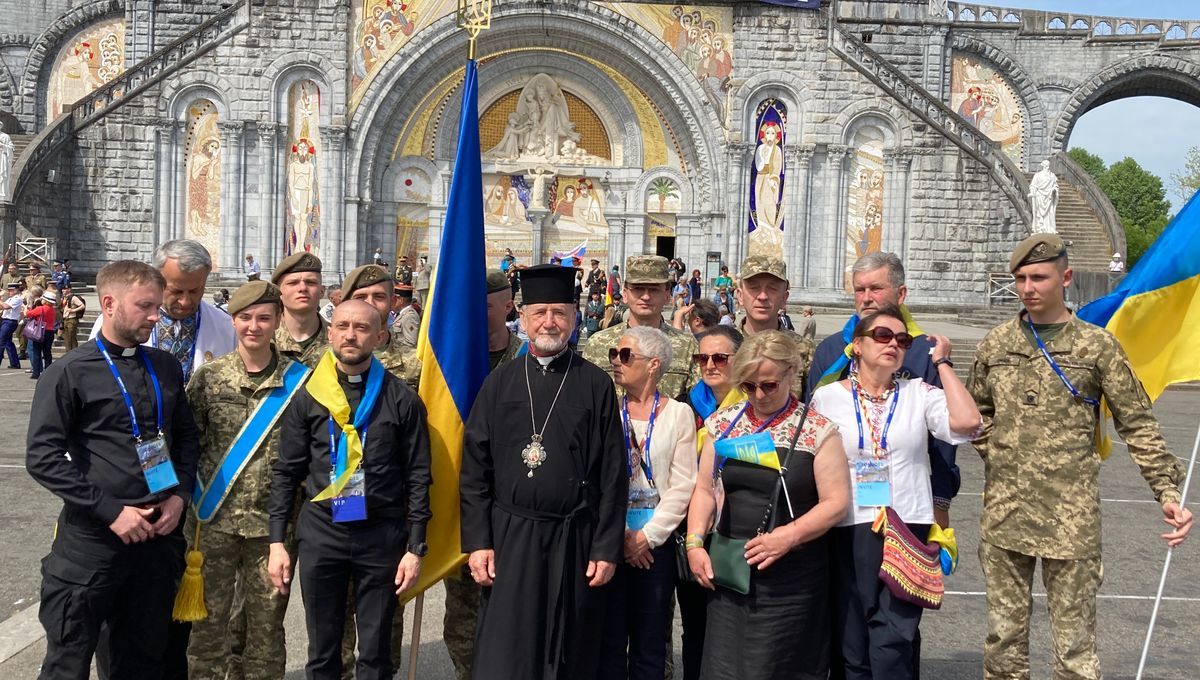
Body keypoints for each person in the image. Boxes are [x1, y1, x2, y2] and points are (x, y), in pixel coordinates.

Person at [967, 234, 1192, 680]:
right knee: (1002, 648)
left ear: (1065, 278)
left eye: (1039, 277)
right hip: (1005, 516)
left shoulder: (1097, 347)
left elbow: (1136, 422)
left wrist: (1166, 489)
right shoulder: (997, 345)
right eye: (1021, 279)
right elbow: (974, 412)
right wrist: (1001, 448)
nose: (1028, 287)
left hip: (1070, 520)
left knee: (1074, 652)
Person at [26, 260, 200, 679]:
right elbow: (43, 457)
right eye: (145, 306)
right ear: (108, 303)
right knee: (69, 659)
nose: (156, 316)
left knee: (142, 659)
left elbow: (187, 438)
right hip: (93, 544)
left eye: (157, 306)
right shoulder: (68, 372)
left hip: (156, 540)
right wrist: (111, 511)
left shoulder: (164, 366)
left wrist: (180, 496)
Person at [461, 264, 626, 680]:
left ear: (574, 317)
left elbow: (612, 474)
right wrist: (479, 542)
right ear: (523, 315)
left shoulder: (595, 385)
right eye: (540, 313)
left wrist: (605, 548)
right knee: (508, 651)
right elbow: (475, 471)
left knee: (572, 648)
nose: (549, 321)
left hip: (574, 538)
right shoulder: (499, 384)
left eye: (559, 312)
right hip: (511, 537)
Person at [809, 306, 981, 680]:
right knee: (852, 640)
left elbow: (967, 422)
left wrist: (944, 363)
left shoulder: (918, 392)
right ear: (857, 345)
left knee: (894, 639)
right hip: (849, 523)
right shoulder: (827, 398)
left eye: (902, 340)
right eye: (882, 336)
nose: (894, 345)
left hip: (907, 524)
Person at [268, 299, 432, 680]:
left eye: (361, 328)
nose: (350, 335)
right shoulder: (309, 395)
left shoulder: (401, 399)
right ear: (330, 332)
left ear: (379, 335)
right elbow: (286, 473)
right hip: (323, 532)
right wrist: (278, 541)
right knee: (322, 650)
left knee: (375, 654)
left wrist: (415, 548)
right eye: (342, 326)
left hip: (381, 534)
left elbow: (419, 476)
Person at [685, 330, 849, 679]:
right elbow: (703, 489)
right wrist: (695, 542)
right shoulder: (723, 424)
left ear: (793, 373)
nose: (758, 395)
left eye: (769, 385)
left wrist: (788, 536)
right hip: (731, 570)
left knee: (781, 667)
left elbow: (836, 503)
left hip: (793, 575)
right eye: (748, 386)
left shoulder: (818, 429)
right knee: (724, 668)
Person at [183, 281, 311, 680]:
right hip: (213, 524)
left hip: (272, 531)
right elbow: (189, 445)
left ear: (277, 322)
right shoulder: (209, 378)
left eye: (263, 318)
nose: (253, 326)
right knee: (206, 627)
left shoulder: (302, 383)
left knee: (266, 630)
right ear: (233, 321)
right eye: (244, 318)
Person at [807, 252, 959, 529]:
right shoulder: (829, 352)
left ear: (901, 294)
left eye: (876, 288)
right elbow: (812, 429)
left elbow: (943, 442)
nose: (866, 297)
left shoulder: (921, 352)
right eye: (859, 289)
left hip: (906, 504)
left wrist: (940, 501)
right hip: (841, 504)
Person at [599, 326, 698, 680]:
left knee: (650, 642)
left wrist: (646, 536)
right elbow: (598, 479)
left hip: (655, 546)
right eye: (614, 354)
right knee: (608, 642)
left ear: (653, 364)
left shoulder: (678, 415)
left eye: (625, 355)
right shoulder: (607, 409)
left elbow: (684, 484)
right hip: (612, 539)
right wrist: (624, 534)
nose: (616, 361)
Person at [441, 270, 524, 680]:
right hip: (462, 501)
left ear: (508, 307)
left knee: (516, 611)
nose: (475, 313)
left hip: (517, 505)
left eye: (486, 305)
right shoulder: (449, 361)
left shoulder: (531, 360)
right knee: (462, 617)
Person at [676, 325, 743, 680]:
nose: (709, 365)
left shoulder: (757, 403)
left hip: (740, 531)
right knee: (695, 626)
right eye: (702, 358)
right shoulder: (686, 404)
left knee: (737, 627)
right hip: (695, 532)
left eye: (720, 357)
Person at [90, 239, 237, 383]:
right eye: (176, 291)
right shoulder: (115, 322)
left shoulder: (226, 327)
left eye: (194, 291)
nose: (185, 301)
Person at [583, 255, 698, 400]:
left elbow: (698, 405)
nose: (646, 296)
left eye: (654, 289)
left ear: (667, 295)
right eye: (638, 289)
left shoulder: (687, 346)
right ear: (625, 294)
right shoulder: (598, 343)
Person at [735, 255, 814, 397]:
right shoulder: (721, 349)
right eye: (754, 288)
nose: (763, 296)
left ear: (784, 298)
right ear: (740, 296)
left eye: (772, 288)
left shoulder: (804, 350)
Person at [342, 264, 421, 389]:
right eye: (361, 297)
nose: (370, 304)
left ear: (393, 301)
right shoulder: (325, 359)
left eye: (379, 297)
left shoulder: (415, 363)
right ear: (345, 303)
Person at [272, 251, 328, 368]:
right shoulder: (264, 339)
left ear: (322, 291)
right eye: (293, 283)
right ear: (279, 292)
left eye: (311, 282)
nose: (302, 288)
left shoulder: (339, 339)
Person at [26, 286, 57, 379]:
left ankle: (36, 372)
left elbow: (28, 314)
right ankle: (48, 371)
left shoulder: (41, 308)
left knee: (36, 352)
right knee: (47, 353)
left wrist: (26, 308)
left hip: (40, 332)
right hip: (50, 331)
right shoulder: (52, 309)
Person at [1, 282, 23, 368]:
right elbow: (2, 306)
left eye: (11, 290)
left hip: (10, 322)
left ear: (16, 290)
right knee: (8, 342)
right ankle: (15, 363)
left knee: (1, 341)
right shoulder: (10, 298)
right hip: (6, 320)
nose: (9, 292)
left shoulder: (17, 299)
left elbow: (6, 306)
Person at [59, 283, 86, 352]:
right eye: (63, 289)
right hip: (65, 319)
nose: (63, 290)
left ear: (69, 289)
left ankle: (74, 352)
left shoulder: (73, 298)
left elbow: (82, 306)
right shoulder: (63, 298)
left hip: (72, 319)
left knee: (72, 337)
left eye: (65, 289)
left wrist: (73, 310)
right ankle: (68, 352)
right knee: (67, 338)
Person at [392, 284, 419, 349]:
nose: (392, 301)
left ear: (401, 300)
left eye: (394, 298)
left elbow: (411, 343)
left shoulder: (410, 316)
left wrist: (392, 347)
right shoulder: (401, 314)